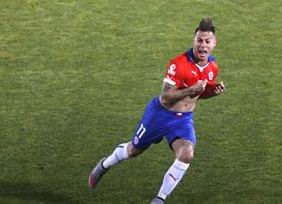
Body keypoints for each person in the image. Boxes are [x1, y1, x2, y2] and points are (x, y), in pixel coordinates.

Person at [88, 18, 226, 203]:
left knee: (187, 154)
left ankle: (160, 199)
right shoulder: (178, 64)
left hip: (183, 119)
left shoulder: (212, 67)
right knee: (133, 150)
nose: (203, 45)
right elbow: (166, 97)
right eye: (199, 40)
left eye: (207, 41)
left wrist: (211, 93)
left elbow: (197, 96)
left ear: (214, 43)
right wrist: (191, 89)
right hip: (160, 115)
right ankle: (104, 165)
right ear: (193, 41)